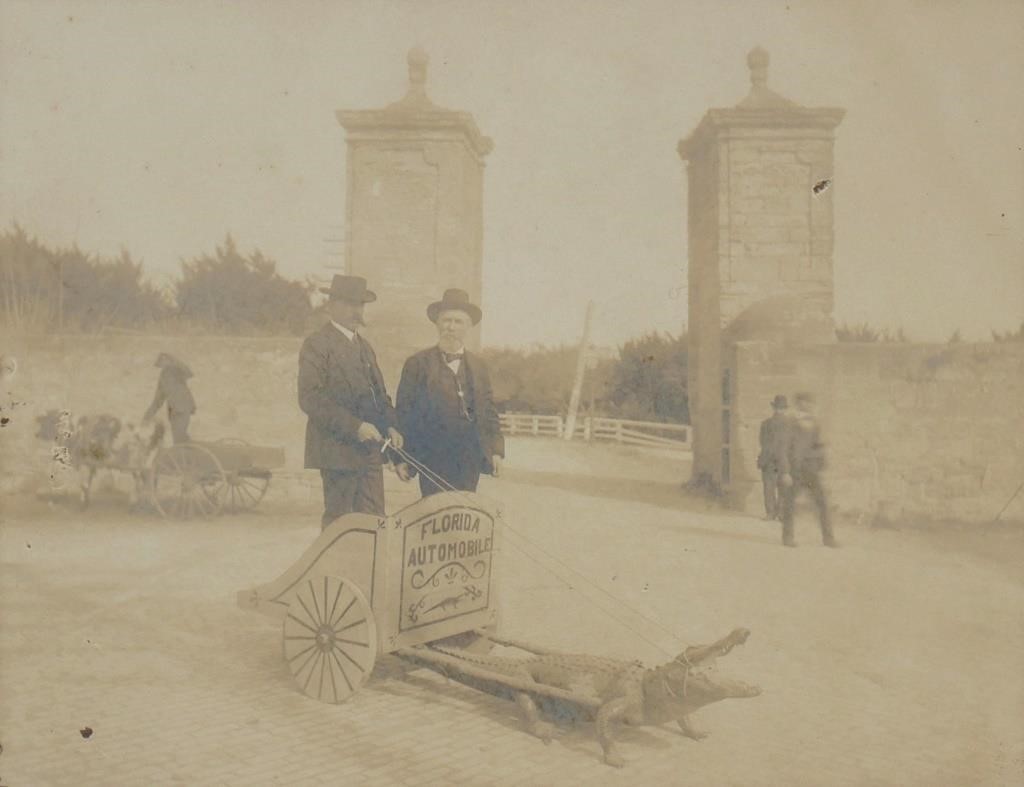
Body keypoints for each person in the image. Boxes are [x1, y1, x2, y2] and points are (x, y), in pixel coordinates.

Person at [298, 275, 404, 528]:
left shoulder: (365, 347)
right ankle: (336, 569)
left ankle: (368, 569)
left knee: (374, 521)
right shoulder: (317, 344)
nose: (356, 311)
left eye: (360, 305)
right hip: (337, 451)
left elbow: (380, 396)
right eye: (348, 304)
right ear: (331, 306)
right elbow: (310, 398)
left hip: (370, 453)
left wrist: (391, 425)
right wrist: (355, 426)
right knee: (341, 524)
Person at [395, 288, 504, 497]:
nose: (451, 327)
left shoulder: (479, 367)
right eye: (446, 321)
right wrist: (402, 458)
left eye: (458, 322)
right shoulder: (418, 364)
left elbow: (489, 411)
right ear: (437, 323)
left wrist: (496, 451)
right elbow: (404, 413)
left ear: (468, 326)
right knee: (433, 516)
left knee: (465, 515)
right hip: (432, 456)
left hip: (469, 455)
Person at [776, 392, 839, 548]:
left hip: (811, 471)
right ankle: (787, 538)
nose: (809, 405)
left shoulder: (814, 423)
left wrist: (822, 463)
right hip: (795, 470)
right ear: (799, 403)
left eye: (811, 403)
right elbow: (783, 449)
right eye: (806, 402)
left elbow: (818, 445)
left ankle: (828, 539)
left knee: (822, 503)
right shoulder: (789, 422)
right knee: (790, 504)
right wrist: (785, 472)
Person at [142, 352, 195, 444]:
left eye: (166, 360)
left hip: (183, 407)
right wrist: (147, 417)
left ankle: (189, 451)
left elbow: (189, 373)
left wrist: (175, 360)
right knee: (177, 438)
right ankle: (186, 450)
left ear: (170, 360)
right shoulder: (162, 379)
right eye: (162, 361)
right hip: (173, 410)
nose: (164, 363)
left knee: (179, 436)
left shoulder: (176, 370)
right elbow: (157, 401)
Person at [757, 395, 789, 521]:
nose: (779, 411)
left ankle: (780, 513)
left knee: (782, 487)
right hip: (770, 459)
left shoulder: (790, 425)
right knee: (769, 487)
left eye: (781, 408)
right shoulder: (766, 424)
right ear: (773, 408)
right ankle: (771, 512)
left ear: (784, 409)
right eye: (777, 408)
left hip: (783, 460)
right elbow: (762, 441)